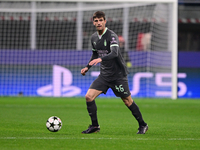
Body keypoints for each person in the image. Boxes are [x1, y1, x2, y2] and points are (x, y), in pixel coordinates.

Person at [81, 11, 148, 134]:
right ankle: (95, 126)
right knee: (88, 97)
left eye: (101, 20)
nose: (98, 23)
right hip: (104, 75)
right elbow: (95, 54)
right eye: (96, 21)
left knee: (127, 101)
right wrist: (87, 67)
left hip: (118, 76)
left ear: (105, 21)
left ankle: (143, 125)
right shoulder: (94, 37)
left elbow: (115, 53)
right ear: (93, 22)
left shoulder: (112, 35)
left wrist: (101, 59)